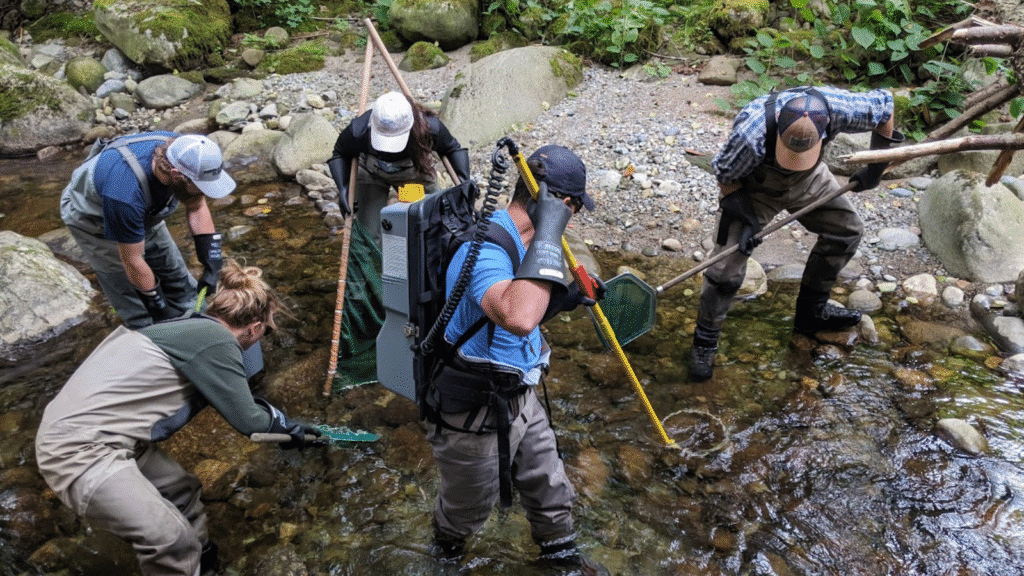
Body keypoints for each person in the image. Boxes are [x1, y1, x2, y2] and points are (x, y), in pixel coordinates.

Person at [35, 260, 322, 576]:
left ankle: (203, 562)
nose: (260, 340)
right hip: (79, 451)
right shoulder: (218, 341)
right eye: (265, 332)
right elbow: (251, 421)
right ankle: (185, 560)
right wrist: (294, 430)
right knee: (170, 540)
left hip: (104, 435)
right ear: (254, 329)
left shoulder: (186, 325)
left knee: (181, 489)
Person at [426, 144, 607, 574]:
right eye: (572, 210)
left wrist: (566, 297)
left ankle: (561, 557)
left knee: (549, 486)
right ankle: (444, 557)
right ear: (563, 204)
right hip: (473, 412)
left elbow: (524, 308)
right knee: (467, 510)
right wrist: (550, 230)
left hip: (520, 393)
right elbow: (518, 316)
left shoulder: (526, 243)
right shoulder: (485, 249)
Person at [689, 85, 903, 382]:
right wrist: (745, 216)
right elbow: (725, 176)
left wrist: (875, 169)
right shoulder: (751, 132)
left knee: (847, 231)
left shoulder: (841, 108)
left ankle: (812, 312)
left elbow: (885, 106)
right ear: (778, 128)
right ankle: (705, 340)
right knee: (725, 266)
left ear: (824, 129)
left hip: (809, 179)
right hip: (754, 187)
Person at [60, 132, 233, 329]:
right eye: (202, 186)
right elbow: (132, 260)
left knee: (176, 276)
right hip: (95, 219)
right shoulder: (124, 195)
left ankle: (200, 325)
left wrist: (212, 263)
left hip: (144, 209)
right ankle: (148, 331)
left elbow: (196, 206)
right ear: (176, 174)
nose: (206, 192)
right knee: (135, 299)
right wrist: (158, 305)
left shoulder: (186, 151)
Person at [328, 91, 470, 244]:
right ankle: (377, 258)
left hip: (412, 175)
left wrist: (464, 182)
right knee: (369, 235)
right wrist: (343, 188)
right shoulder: (359, 130)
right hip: (372, 174)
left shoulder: (428, 127)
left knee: (434, 220)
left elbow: (452, 148)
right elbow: (340, 153)